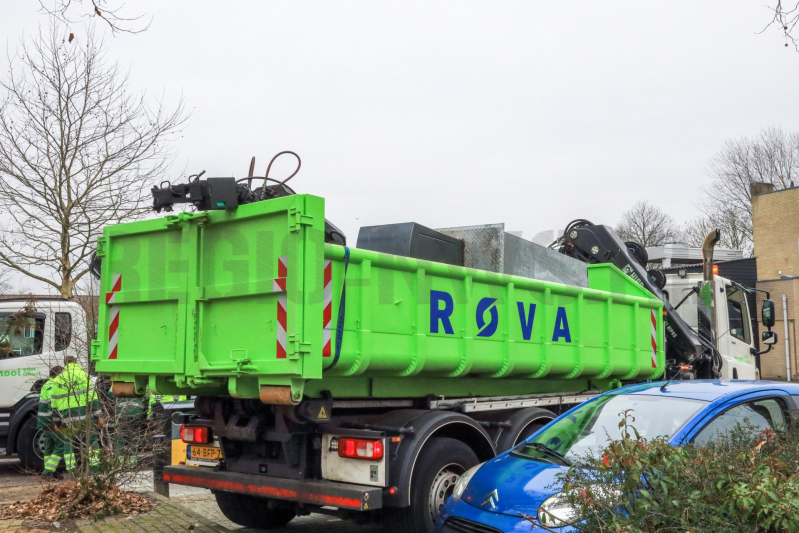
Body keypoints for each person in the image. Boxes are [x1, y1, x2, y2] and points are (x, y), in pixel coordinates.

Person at [50, 356, 101, 473]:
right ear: (76, 362)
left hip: (67, 419)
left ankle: (72, 471)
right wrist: (98, 417)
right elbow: (92, 399)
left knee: (69, 444)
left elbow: (54, 405)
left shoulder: (57, 380)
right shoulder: (83, 375)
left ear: (65, 364)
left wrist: (57, 423)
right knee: (92, 442)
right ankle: (94, 470)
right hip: (84, 418)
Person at [39, 365, 63, 477]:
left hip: (44, 420)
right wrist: (57, 421)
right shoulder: (53, 385)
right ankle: (48, 472)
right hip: (50, 420)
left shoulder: (46, 385)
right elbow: (53, 405)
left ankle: (50, 472)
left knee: (49, 446)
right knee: (60, 445)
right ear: (57, 374)